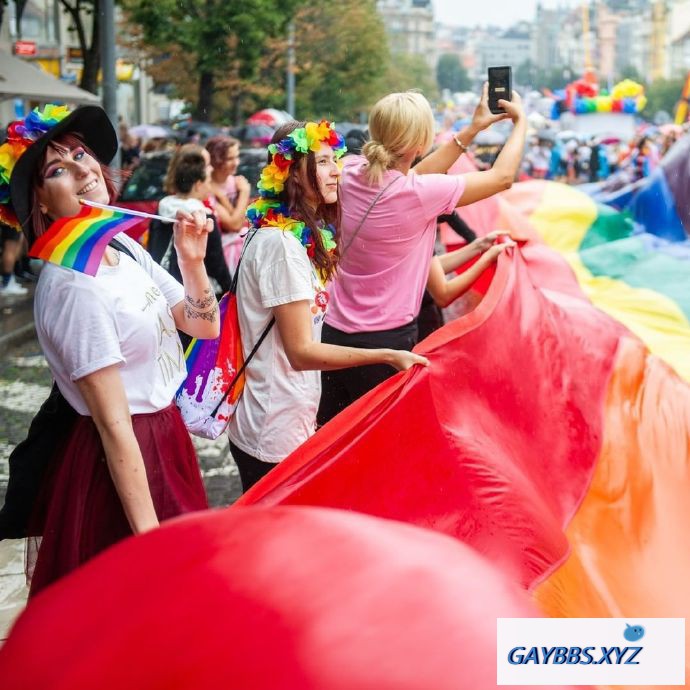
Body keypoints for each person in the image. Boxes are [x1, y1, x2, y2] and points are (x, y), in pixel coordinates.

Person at [0, 104, 220, 595]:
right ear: (37, 200)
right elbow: (113, 424)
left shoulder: (120, 248)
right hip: (119, 463)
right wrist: (149, 538)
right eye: (58, 169)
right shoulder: (74, 285)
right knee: (143, 603)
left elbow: (202, 326)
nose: (82, 169)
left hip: (165, 438)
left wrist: (193, 260)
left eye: (81, 153)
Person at [227, 120, 429, 492]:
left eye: (334, 159)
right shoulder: (281, 246)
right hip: (273, 429)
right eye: (322, 162)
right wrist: (386, 354)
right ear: (292, 173)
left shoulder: (292, 234)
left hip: (287, 419)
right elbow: (301, 352)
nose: (336, 170)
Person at [317, 86, 526, 425]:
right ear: (420, 142)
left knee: (333, 437)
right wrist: (520, 123)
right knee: (381, 443)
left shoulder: (350, 171)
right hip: (387, 344)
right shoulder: (418, 194)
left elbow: (410, 175)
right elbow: (501, 178)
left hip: (334, 337)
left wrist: (472, 130)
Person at [151, 145, 232, 299]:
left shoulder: (161, 210)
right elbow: (216, 265)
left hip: (163, 289)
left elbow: (154, 251)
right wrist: (231, 290)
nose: (210, 185)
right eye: (208, 180)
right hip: (195, 292)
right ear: (198, 184)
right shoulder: (203, 218)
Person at [205, 135, 251, 274]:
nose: (236, 162)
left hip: (241, 245)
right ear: (216, 160)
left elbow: (242, 220)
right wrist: (244, 193)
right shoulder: (206, 187)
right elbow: (234, 225)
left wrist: (224, 200)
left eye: (237, 157)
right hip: (222, 253)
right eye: (230, 159)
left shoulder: (234, 182)